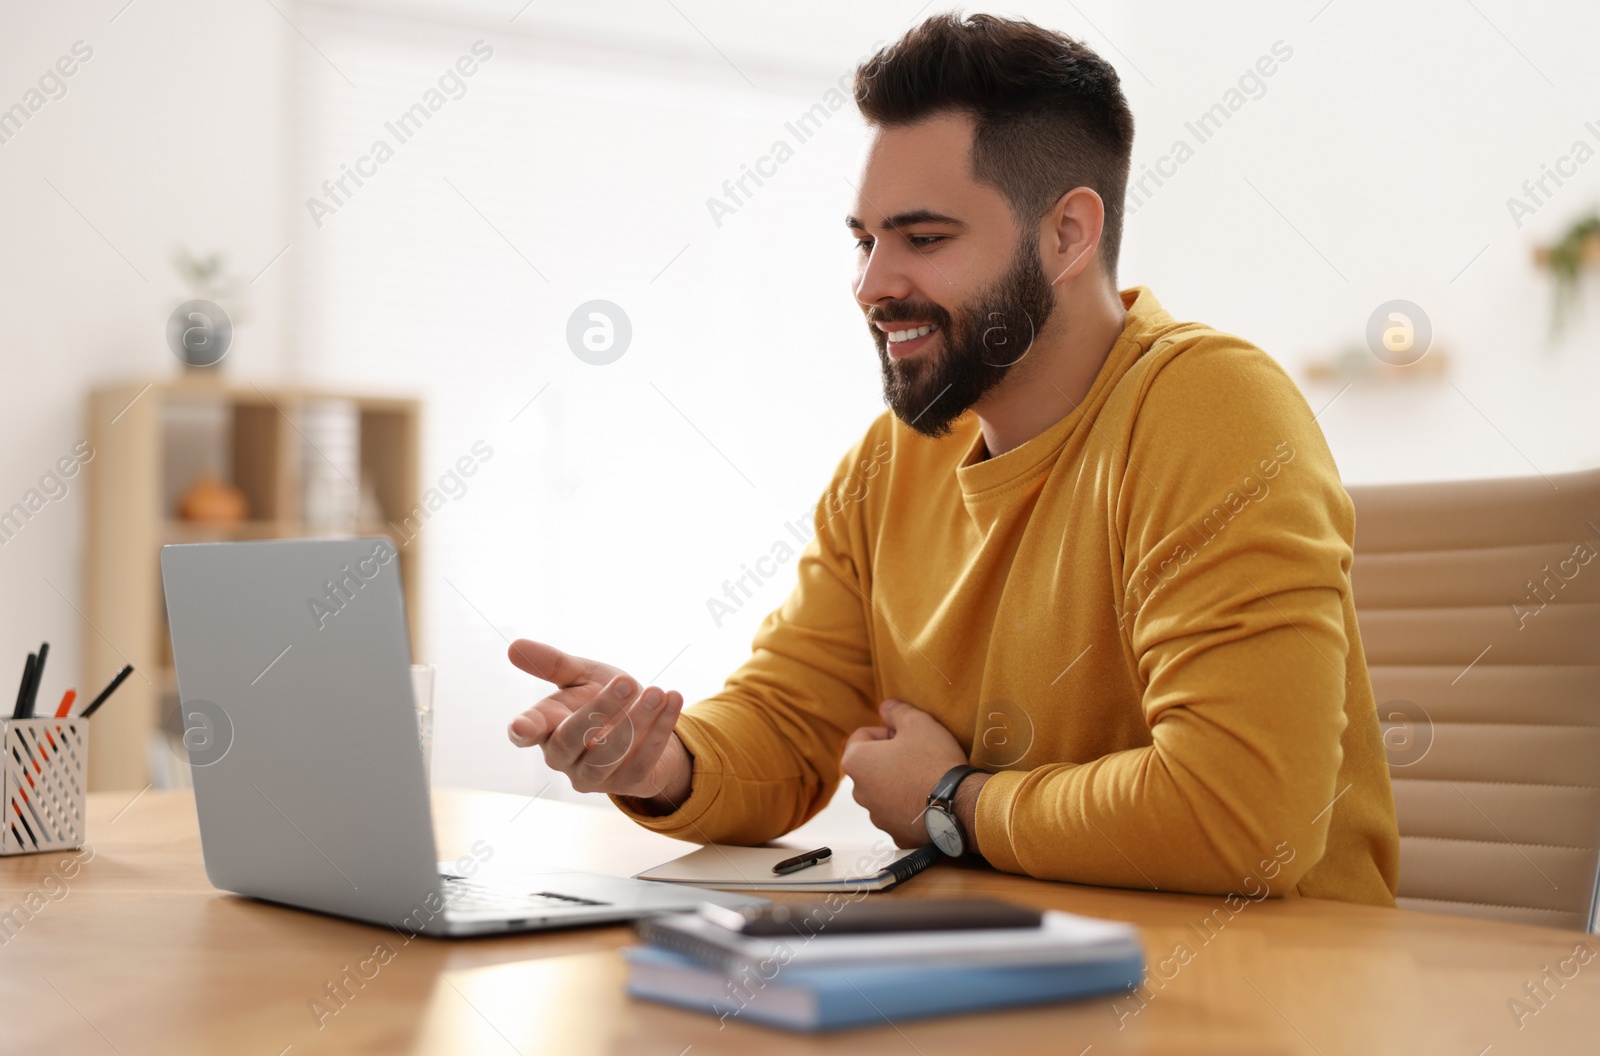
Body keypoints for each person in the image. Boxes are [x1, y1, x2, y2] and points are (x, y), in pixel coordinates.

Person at [507, 13, 1400, 906]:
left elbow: (1243, 816)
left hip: (1268, 1007)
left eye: (923, 239)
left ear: (1067, 235)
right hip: (1020, 985)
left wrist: (951, 802)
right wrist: (663, 757)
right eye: (865, 241)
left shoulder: (1210, 408)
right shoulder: (892, 462)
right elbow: (788, 721)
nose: (870, 284)